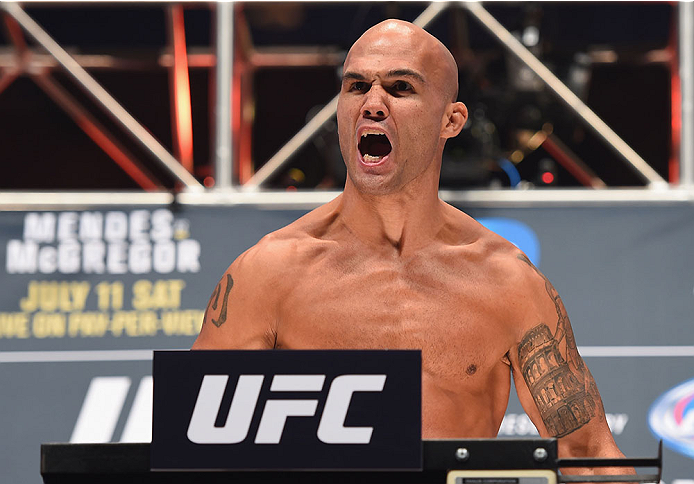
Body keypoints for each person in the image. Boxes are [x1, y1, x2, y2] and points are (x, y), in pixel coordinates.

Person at [193, 19, 632, 476]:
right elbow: (196, 453)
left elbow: (590, 458)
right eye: (357, 86)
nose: (372, 104)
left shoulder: (509, 283)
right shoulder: (267, 273)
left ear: (451, 120)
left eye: (400, 88)